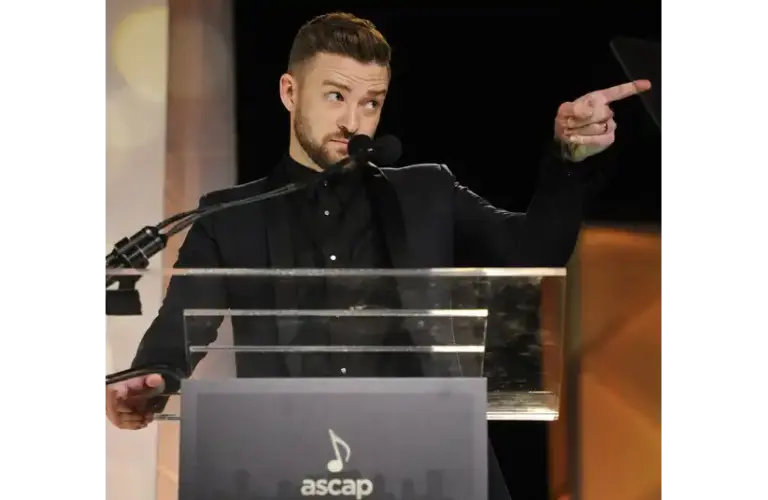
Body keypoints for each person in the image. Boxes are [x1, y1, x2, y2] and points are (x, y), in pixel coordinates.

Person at [104, 10, 650, 497]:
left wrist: (571, 160)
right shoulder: (228, 213)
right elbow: (178, 332)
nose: (354, 120)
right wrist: (151, 379)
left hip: (428, 460)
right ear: (290, 92)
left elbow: (537, 249)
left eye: (372, 102)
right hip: (288, 465)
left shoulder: (426, 192)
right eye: (335, 95)